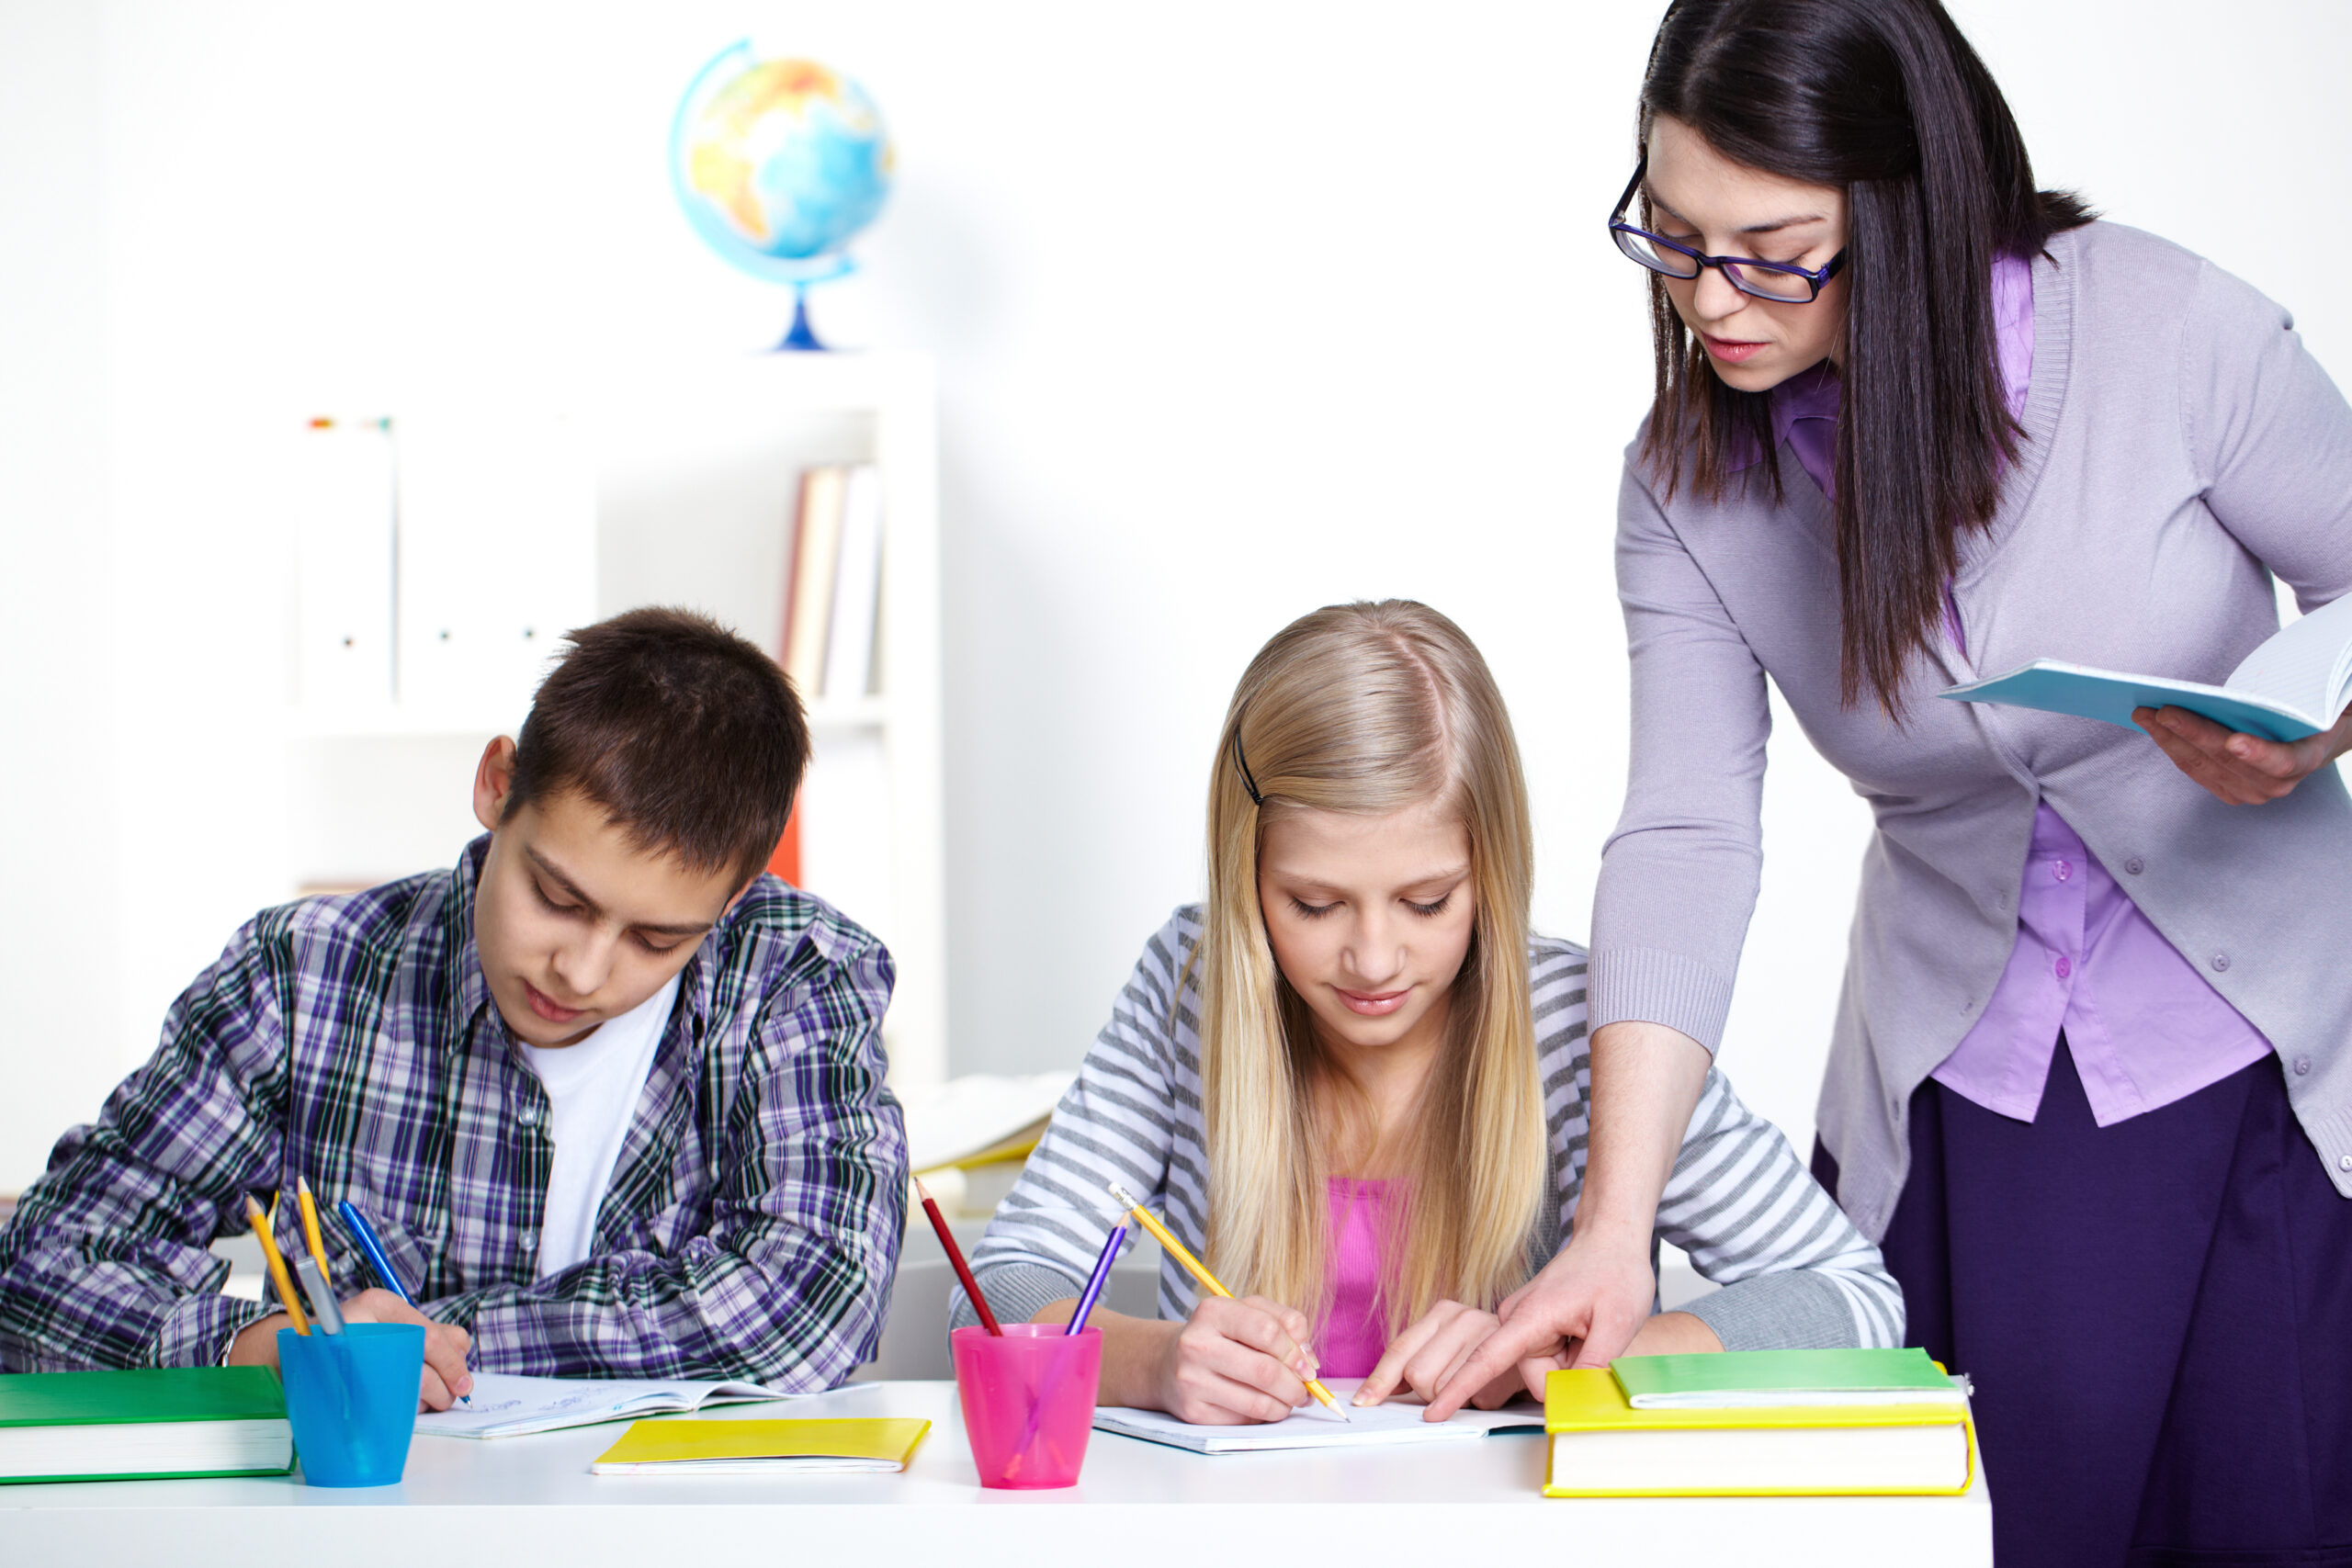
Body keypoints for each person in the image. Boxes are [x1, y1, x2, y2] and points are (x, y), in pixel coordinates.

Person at [1430, 3, 2352, 1562]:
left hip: (2265, 1054)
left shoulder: (2174, 331)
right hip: (1960, 1081)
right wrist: (1613, 1229)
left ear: (1913, 204)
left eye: (1774, 250)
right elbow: (1687, 830)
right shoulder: (1688, 483)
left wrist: (2319, 723)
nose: (1711, 298)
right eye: (1675, 238)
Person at [954, 601, 1898, 1423]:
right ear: (1246, 877)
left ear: (1492, 868)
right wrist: (1152, 1363)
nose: (1373, 959)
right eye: (1313, 905)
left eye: (1426, 902)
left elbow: (1856, 1301)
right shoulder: (1191, 987)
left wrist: (1587, 1356)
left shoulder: (1580, 1030)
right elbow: (993, 1292)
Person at [0, 607, 908, 1406]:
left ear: (735, 897)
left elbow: (808, 1306)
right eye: (557, 897)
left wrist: (436, 1341)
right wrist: (255, 1349)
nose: (582, 971)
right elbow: (40, 1274)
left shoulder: (799, 977)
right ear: (497, 785)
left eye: (655, 940)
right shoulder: (303, 977)